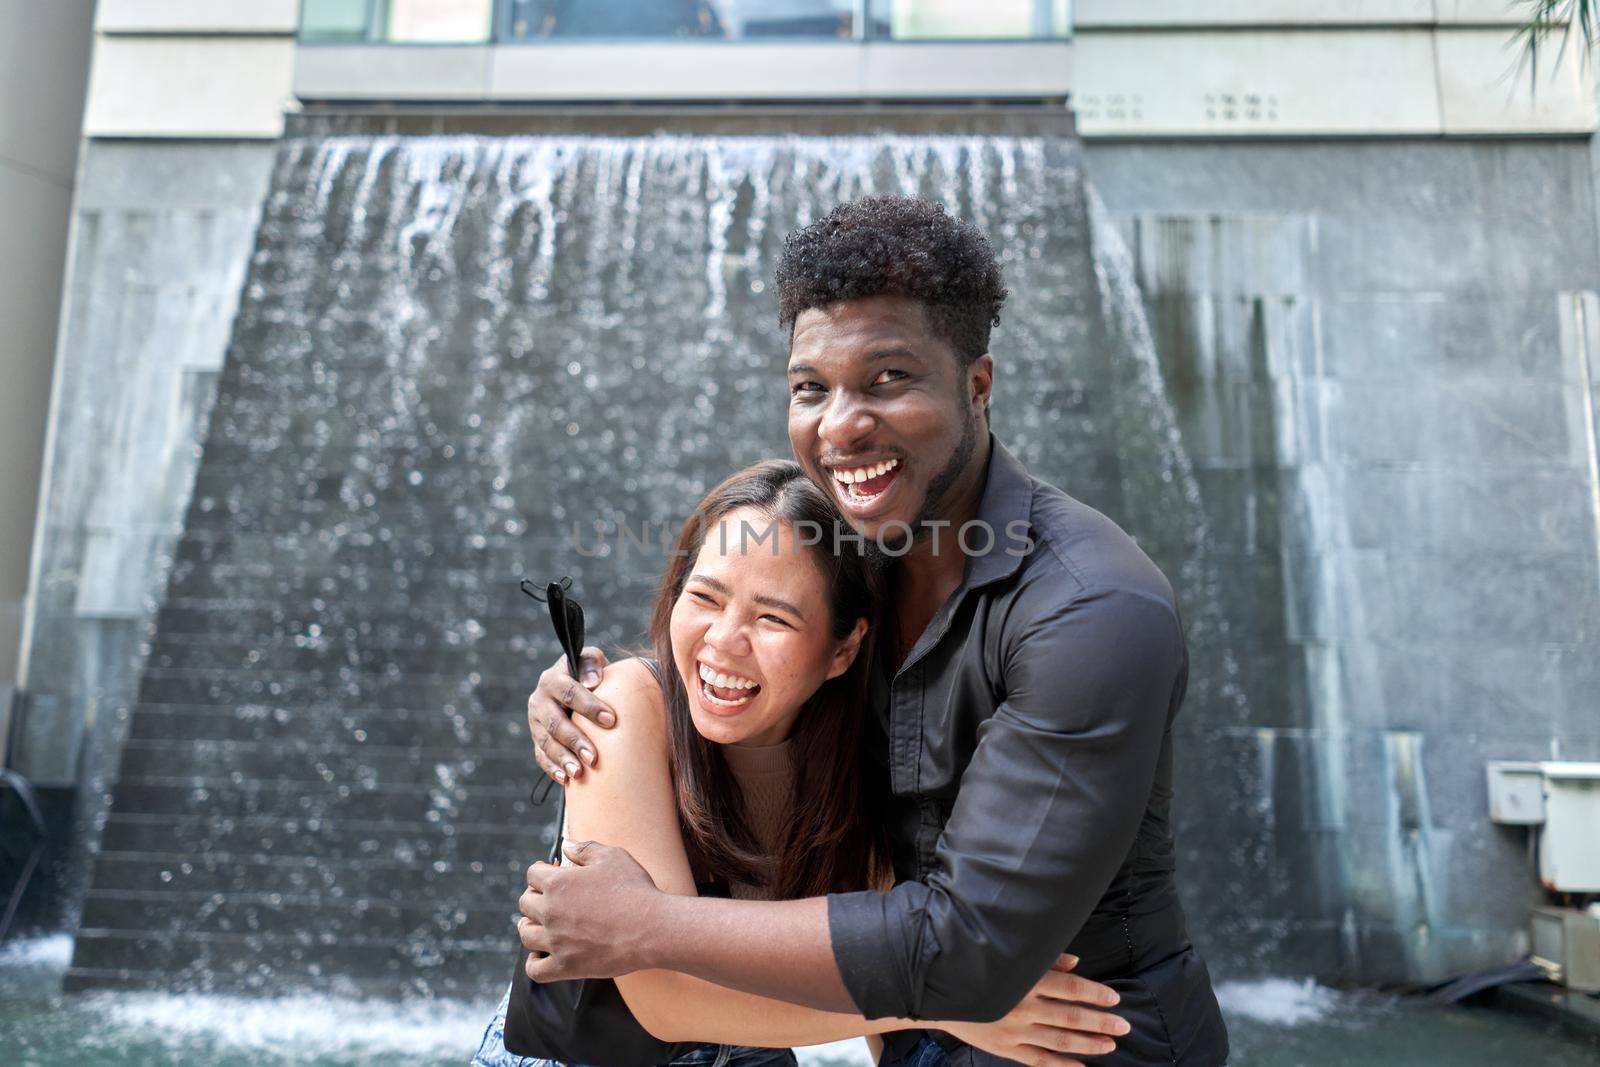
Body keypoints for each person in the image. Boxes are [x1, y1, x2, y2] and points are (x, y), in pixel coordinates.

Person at [520, 196, 1230, 1066]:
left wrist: (649, 923)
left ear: (977, 385)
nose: (842, 424)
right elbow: (730, 659)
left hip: (1079, 1047)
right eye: (811, 388)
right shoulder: (848, 559)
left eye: (889, 378)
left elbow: (970, 951)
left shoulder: (1090, 609)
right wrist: (592, 693)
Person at [475, 461, 1132, 1066]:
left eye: (774, 617)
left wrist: (939, 1005)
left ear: (843, 649)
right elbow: (665, 999)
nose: (724, 642)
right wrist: (945, 1002)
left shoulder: (868, 755)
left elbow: (876, 947)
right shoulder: (621, 710)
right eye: (704, 596)